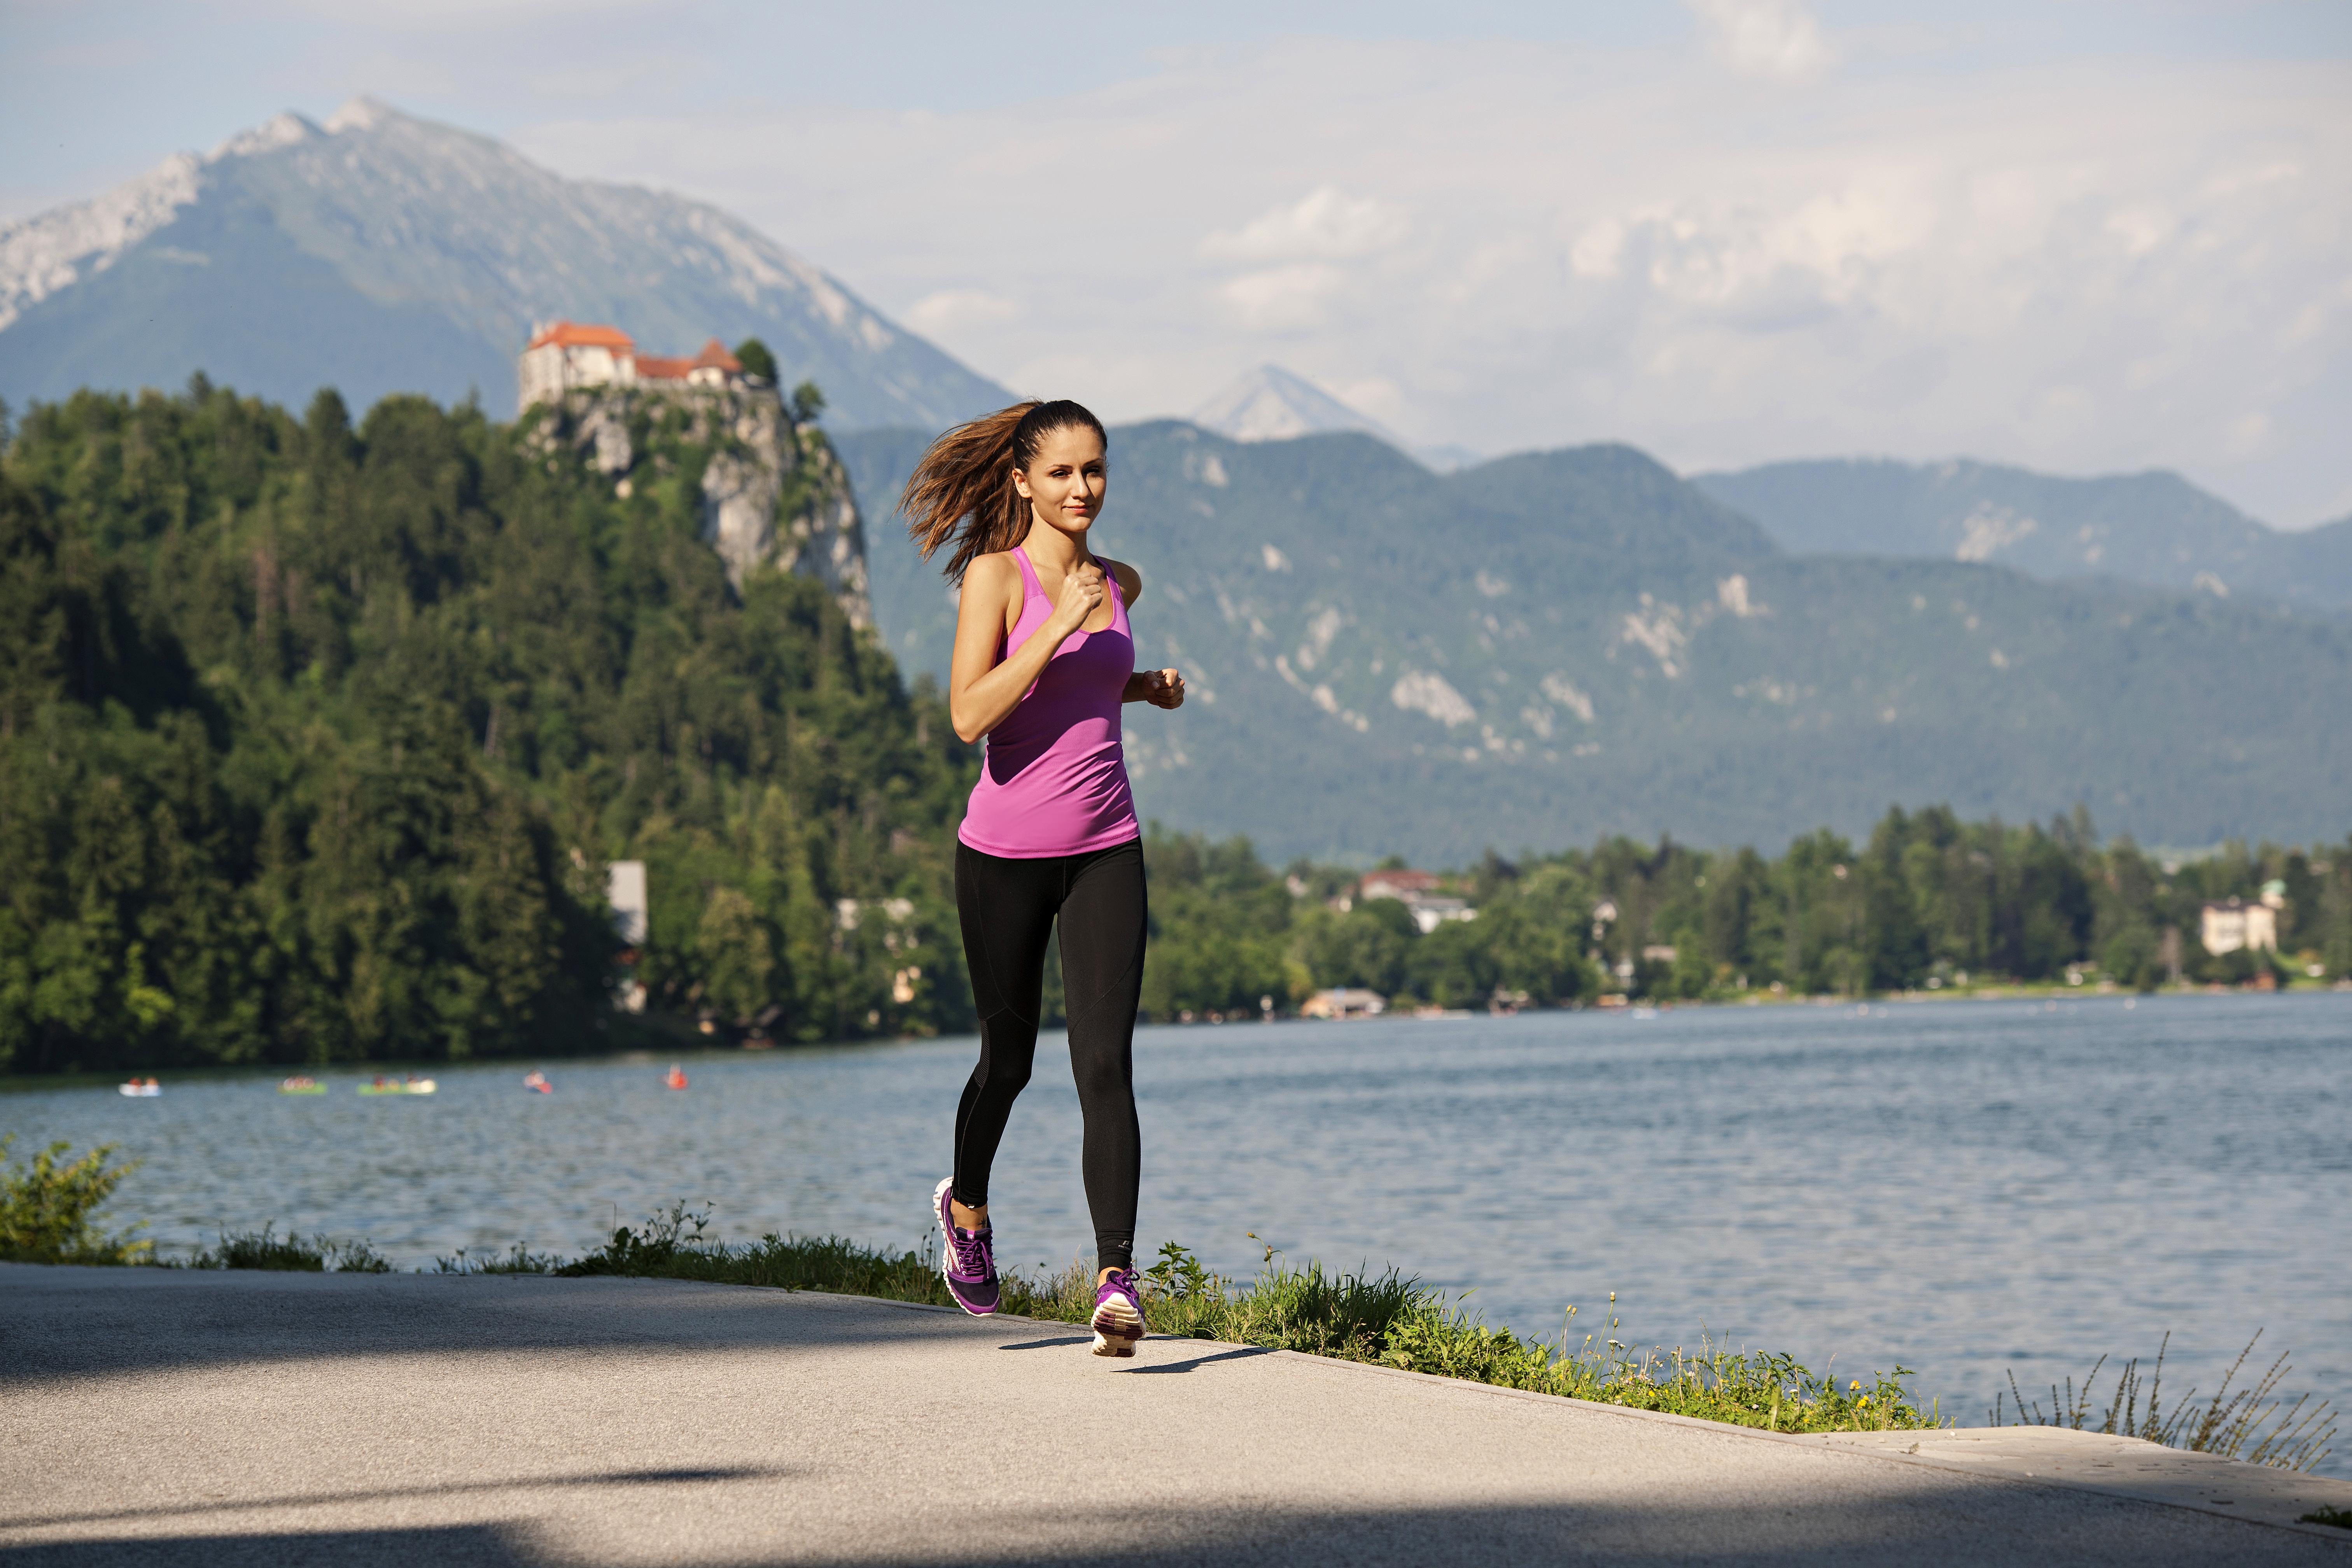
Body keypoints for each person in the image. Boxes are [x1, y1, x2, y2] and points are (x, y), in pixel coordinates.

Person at [903, 399, 1185, 1357]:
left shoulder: (1121, 582)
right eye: (1062, 473)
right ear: (1023, 480)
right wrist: (1053, 627)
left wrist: (1141, 686)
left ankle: (1115, 1280)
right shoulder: (996, 578)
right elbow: (971, 714)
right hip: (1002, 859)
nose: (1082, 489)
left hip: (1107, 844)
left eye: (1095, 471)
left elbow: (1082, 691)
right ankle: (967, 1210)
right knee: (1010, 1060)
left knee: (1104, 1065)